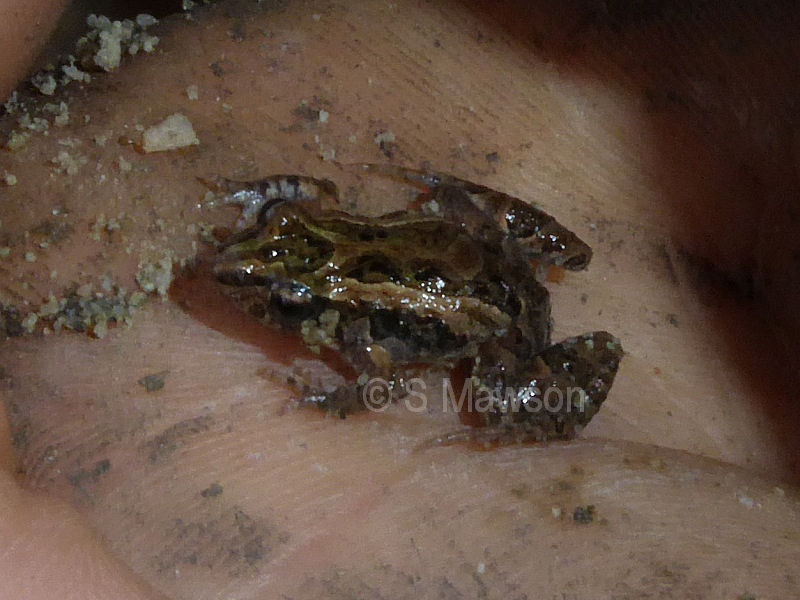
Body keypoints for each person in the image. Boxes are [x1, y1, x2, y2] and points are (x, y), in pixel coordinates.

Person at [1, 1, 799, 598]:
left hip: (502, 330)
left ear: (318, 308)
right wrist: (264, 202)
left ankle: (518, 414)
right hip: (483, 254)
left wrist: (337, 401)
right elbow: (308, 196)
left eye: (284, 296)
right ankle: (454, 206)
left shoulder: (363, 338)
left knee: (494, 403)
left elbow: (383, 382)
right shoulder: (313, 219)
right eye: (277, 236)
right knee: (455, 220)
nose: (245, 272)